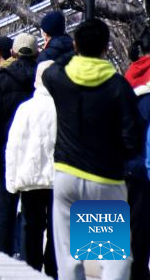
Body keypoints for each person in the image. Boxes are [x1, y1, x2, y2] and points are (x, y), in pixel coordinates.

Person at [44, 19, 143, 280]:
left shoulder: (60, 79)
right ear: (106, 48)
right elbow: (132, 139)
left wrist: (72, 52)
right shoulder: (118, 86)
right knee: (110, 255)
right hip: (105, 178)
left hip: (67, 174)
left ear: (75, 45)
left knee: (68, 256)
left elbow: (50, 69)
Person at [0, 32, 38, 257]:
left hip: (7, 154)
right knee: (34, 212)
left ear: (12, 52)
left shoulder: (2, 79)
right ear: (37, 52)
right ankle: (31, 259)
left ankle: (4, 257)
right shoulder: (44, 80)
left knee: (5, 208)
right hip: (39, 156)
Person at [5, 60, 58, 277]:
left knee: (31, 227)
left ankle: (30, 270)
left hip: (30, 177)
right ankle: (53, 269)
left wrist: (12, 181)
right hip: (59, 178)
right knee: (58, 229)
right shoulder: (65, 106)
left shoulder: (25, 108)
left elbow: (14, 145)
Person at [124, 35, 150, 280]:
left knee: (105, 248)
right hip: (141, 168)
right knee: (140, 233)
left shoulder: (124, 80)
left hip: (111, 169)